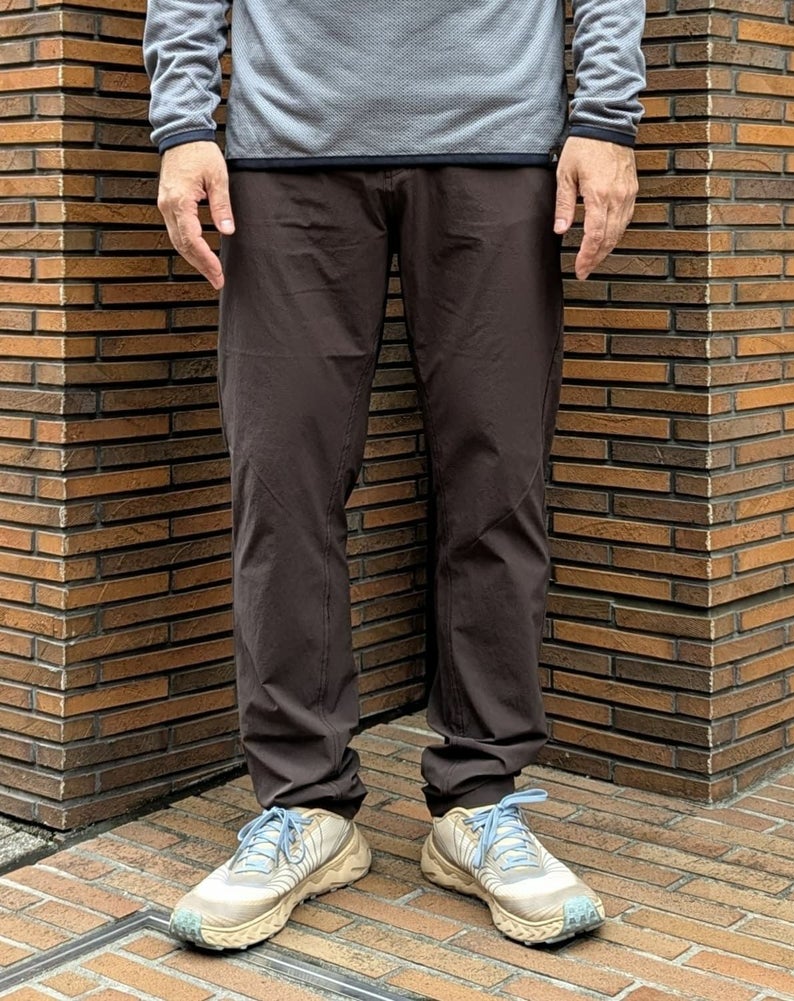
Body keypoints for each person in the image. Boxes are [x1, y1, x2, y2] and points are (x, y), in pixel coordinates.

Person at [143, 0, 646, 951]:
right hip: (285, 151)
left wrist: (605, 116)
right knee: (280, 488)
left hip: (498, 140)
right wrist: (181, 123)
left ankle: (480, 799)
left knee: (498, 482)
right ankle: (304, 805)